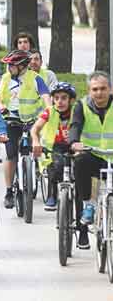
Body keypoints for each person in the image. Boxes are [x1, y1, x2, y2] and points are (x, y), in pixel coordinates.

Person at [0, 50, 51, 208]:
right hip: (11, 120)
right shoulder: (6, 78)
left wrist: (49, 109)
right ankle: (8, 191)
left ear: (22, 66)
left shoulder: (35, 78)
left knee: (34, 148)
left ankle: (35, 172)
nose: (9, 68)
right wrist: (1, 107)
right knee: (11, 154)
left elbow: (46, 96)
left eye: (11, 65)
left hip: (31, 121)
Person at [69, 71, 113, 250]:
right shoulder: (81, 106)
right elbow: (75, 126)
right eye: (95, 89)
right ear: (89, 91)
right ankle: (88, 205)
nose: (99, 93)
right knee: (80, 162)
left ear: (110, 89)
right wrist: (74, 142)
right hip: (92, 155)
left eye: (103, 88)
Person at [31, 82, 76, 211]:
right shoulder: (49, 112)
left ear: (71, 100)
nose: (59, 101)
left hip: (73, 145)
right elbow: (35, 129)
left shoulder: (77, 112)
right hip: (53, 147)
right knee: (55, 166)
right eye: (56, 98)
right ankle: (52, 195)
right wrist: (35, 141)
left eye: (63, 98)